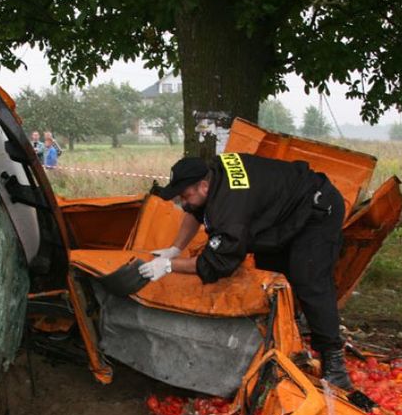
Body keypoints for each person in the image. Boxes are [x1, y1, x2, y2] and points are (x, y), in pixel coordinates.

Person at [137, 153, 354, 389]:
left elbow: (216, 262)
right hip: (281, 215)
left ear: (204, 186)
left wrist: (168, 266)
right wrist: (175, 248)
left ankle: (334, 364)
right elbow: (194, 210)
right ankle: (285, 344)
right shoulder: (212, 177)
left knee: (309, 280)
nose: (182, 201)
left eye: (185, 195)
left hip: (316, 210)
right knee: (270, 279)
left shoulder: (230, 208)